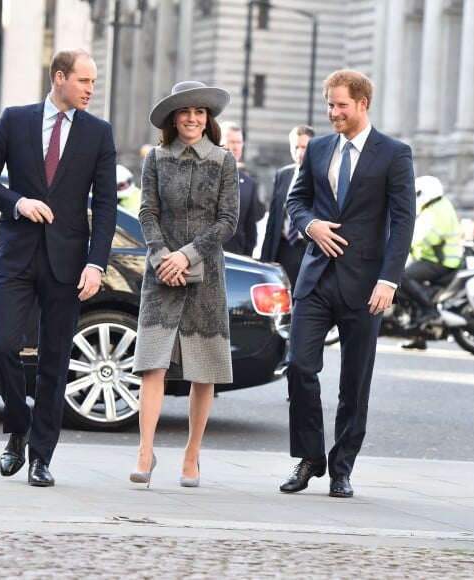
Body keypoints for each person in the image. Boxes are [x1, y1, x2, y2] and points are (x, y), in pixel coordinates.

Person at [0, 49, 117, 487]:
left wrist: (96, 263)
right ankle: (19, 425)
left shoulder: (99, 134)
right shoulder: (16, 120)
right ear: (59, 78)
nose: (92, 89)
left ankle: (41, 457)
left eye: (94, 81)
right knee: (3, 344)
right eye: (85, 80)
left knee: (54, 359)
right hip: (16, 253)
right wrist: (18, 202)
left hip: (68, 263)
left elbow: (105, 206)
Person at [280, 69, 415, 498]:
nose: (332, 112)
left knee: (354, 383)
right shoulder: (318, 149)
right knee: (300, 366)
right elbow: (295, 201)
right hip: (316, 278)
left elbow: (403, 220)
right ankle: (310, 458)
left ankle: (341, 467)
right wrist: (311, 225)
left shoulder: (394, 153)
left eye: (340, 105)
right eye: (328, 104)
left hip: (366, 285)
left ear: (362, 104)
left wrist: (389, 280)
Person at [130, 81, 239, 488]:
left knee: (203, 368)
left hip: (206, 274)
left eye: (199, 112)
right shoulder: (156, 158)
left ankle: (192, 456)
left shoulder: (223, 161)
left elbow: (228, 221)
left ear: (207, 118)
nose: (192, 119)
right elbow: (146, 212)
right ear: (173, 118)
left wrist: (187, 254)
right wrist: (162, 257)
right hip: (161, 275)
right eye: (185, 112)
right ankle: (145, 451)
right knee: (152, 363)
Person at [400, 175, 463, 350]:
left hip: (441, 261)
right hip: (433, 259)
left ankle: (430, 311)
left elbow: (428, 238)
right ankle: (417, 336)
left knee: (403, 277)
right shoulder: (434, 207)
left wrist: (403, 245)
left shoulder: (439, 209)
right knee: (409, 291)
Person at [261, 125, 315, 291]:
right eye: (295, 147)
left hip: (307, 249)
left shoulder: (321, 177)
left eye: (304, 147)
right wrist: (265, 259)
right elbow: (273, 220)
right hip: (282, 249)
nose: (299, 152)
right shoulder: (283, 175)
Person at [220, 121, 259, 256]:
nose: (236, 147)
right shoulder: (205, 175)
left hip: (236, 257)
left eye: (239, 142)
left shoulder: (249, 183)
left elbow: (250, 230)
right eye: (231, 142)